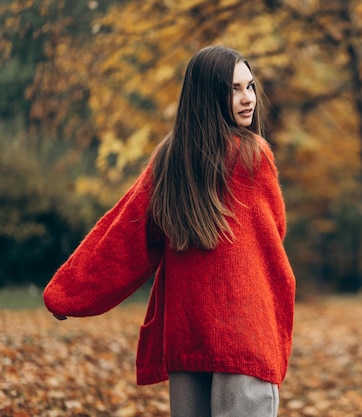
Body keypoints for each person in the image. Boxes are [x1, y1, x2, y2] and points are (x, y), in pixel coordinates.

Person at [43, 45, 296, 417]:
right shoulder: (253, 156)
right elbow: (274, 234)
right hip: (244, 338)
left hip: (188, 339)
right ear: (208, 96)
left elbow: (123, 238)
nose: (248, 99)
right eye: (234, 89)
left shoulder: (170, 160)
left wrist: (68, 292)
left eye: (250, 87)